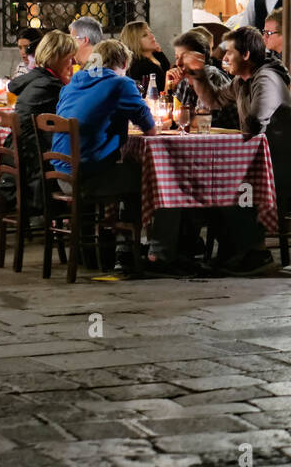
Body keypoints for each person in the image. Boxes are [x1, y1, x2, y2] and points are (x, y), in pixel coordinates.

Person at [176, 26, 291, 273]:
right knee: (209, 183)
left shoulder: (267, 79)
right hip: (256, 160)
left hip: (281, 163)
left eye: (230, 53)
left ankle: (256, 253)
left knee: (228, 187)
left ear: (246, 55)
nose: (224, 58)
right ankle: (233, 250)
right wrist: (197, 75)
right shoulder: (242, 80)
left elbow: (256, 122)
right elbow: (214, 100)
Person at [52, 39, 157, 275]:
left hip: (61, 174)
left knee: (123, 169)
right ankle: (128, 250)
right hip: (87, 177)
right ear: (124, 62)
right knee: (144, 176)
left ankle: (105, 248)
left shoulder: (71, 85)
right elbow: (149, 127)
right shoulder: (120, 83)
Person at [10, 30, 76, 209]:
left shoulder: (36, 79)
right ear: (58, 58)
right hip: (38, 165)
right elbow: (73, 119)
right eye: (70, 59)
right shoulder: (52, 86)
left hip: (22, 158)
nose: (73, 65)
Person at [120, 20, 171, 91]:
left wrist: (160, 53)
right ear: (135, 41)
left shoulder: (156, 55)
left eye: (150, 32)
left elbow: (167, 69)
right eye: (144, 35)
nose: (151, 36)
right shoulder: (137, 65)